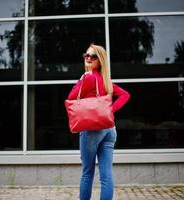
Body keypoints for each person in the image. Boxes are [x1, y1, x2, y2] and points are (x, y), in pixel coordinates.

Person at [67, 44, 130, 200]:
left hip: (91, 130)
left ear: (100, 61)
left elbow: (71, 96)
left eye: (93, 56)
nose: (88, 58)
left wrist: (81, 79)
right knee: (106, 174)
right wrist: (109, 111)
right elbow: (125, 95)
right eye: (86, 55)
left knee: (87, 173)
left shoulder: (88, 78)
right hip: (109, 129)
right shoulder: (106, 81)